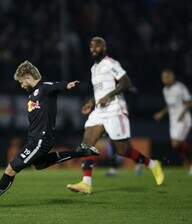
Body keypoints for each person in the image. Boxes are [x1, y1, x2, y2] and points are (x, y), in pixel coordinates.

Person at [0, 60, 99, 208]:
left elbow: (56, 86)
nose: (21, 85)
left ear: (28, 76)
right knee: (40, 164)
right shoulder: (32, 96)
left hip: (40, 140)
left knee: (11, 168)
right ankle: (80, 152)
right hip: (35, 140)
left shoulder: (44, 88)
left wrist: (68, 85)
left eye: (21, 82)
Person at [66, 37, 164, 194]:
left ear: (104, 48)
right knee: (87, 144)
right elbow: (99, 92)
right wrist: (91, 102)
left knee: (123, 150)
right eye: (91, 47)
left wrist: (109, 96)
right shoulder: (93, 68)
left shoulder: (111, 63)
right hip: (99, 111)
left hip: (115, 110)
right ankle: (86, 183)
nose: (93, 49)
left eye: (97, 46)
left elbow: (126, 83)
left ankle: (152, 164)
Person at [154, 69, 192, 175]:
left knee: (176, 143)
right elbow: (170, 105)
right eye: (163, 77)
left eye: (167, 77)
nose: (164, 79)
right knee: (175, 145)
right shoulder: (165, 90)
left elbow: (189, 102)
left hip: (183, 119)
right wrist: (161, 113)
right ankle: (188, 162)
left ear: (172, 77)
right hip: (173, 120)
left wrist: (182, 113)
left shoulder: (180, 87)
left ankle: (189, 163)